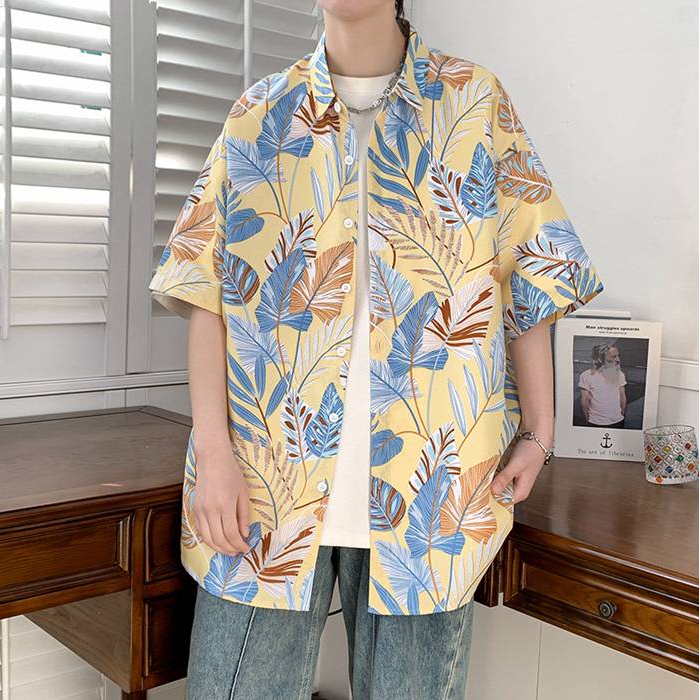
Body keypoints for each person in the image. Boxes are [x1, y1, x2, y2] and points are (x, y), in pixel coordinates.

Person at [148, 1, 605, 698]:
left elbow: (532, 271)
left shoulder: (474, 102)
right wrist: (212, 452)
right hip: (264, 487)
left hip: (433, 492)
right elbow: (204, 289)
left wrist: (540, 432)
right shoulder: (258, 115)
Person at [579, 343, 627, 428]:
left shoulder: (620, 374)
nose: (618, 359)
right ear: (601, 359)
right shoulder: (586, 375)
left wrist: (621, 415)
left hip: (618, 421)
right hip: (595, 422)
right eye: (613, 357)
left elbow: (622, 396)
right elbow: (584, 401)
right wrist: (588, 419)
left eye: (618, 356)